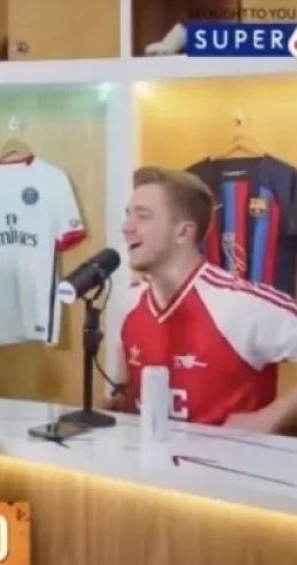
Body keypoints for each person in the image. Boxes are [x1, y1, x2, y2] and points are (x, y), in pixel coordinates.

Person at [109, 166, 297, 432]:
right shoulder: (128, 302)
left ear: (183, 232)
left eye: (143, 216)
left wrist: (268, 419)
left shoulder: (239, 304)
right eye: (128, 215)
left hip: (234, 458)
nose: (127, 228)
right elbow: (129, 392)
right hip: (151, 457)